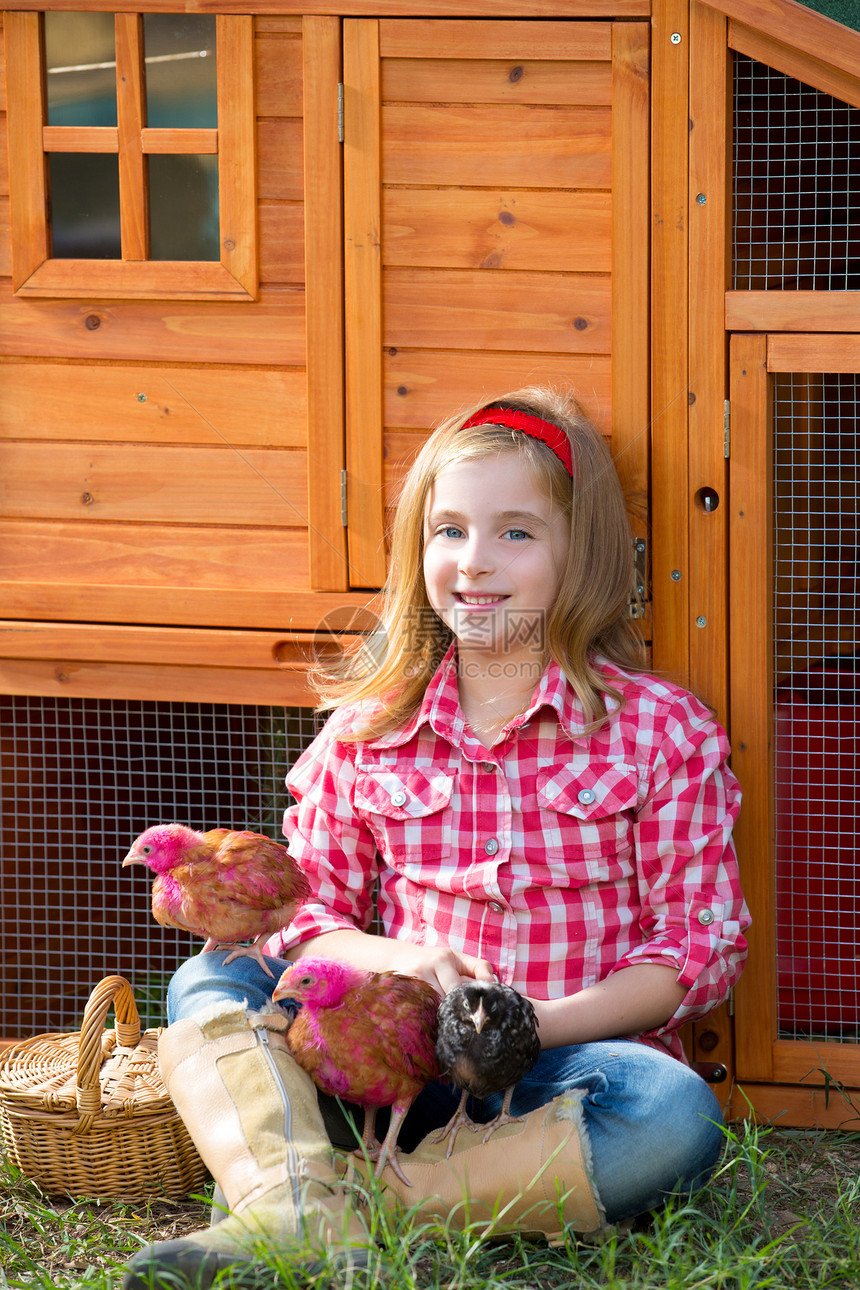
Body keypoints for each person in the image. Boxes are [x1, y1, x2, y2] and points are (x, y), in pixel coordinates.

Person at [124, 387, 749, 1289]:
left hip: (555, 1072)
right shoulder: (370, 726)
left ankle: (339, 1207)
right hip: (382, 1055)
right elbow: (308, 913)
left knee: (672, 1111)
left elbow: (694, 950)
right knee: (211, 975)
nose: (475, 563)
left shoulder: (657, 729)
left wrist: (529, 1028)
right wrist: (407, 960)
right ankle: (292, 1192)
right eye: (448, 531)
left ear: (584, 551)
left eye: (516, 533)